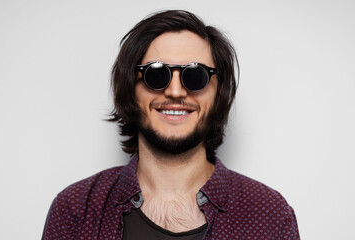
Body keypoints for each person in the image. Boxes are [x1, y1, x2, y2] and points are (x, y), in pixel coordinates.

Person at [42, 10, 300, 240]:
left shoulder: (269, 214)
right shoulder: (74, 210)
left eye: (195, 75)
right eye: (156, 73)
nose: (175, 91)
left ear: (218, 93)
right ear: (129, 88)